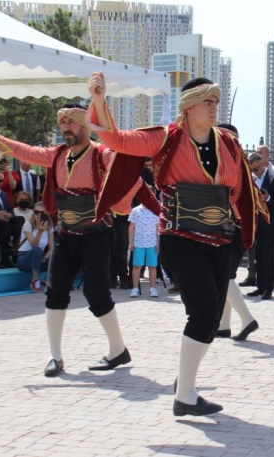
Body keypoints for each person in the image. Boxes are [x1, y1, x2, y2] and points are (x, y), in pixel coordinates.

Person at [87, 71, 263, 416]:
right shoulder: (167, 138)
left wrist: (238, 217)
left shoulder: (227, 142)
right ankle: (185, 396)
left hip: (219, 239)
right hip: (180, 237)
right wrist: (98, 100)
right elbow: (117, 139)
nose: (214, 108)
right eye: (207, 102)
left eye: (216, 102)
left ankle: (185, 392)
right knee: (203, 313)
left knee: (210, 317)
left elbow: (239, 186)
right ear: (189, 107)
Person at [0, 103, 153, 378]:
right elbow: (28, 151)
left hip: (97, 234)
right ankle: (55, 356)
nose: (65, 128)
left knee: (97, 294)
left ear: (85, 125)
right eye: (62, 124)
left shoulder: (102, 154)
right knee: (55, 292)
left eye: (71, 123)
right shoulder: (57, 154)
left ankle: (118, 349)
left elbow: (127, 170)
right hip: (65, 233)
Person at [213, 123, 260, 343]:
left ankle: (247, 319)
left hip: (230, 224)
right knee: (225, 275)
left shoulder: (231, 163)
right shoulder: (237, 162)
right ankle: (223, 326)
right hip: (236, 225)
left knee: (224, 276)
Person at [245, 153, 274, 300]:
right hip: (255, 223)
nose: (255, 172)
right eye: (252, 170)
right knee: (258, 256)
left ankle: (269, 288)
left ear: (262, 163)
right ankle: (260, 286)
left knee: (268, 255)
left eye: (256, 169)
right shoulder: (251, 179)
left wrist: (268, 198)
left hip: (270, 224)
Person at [16, 201, 53, 292]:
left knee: (58, 253)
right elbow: (33, 244)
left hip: (39, 258)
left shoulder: (49, 226)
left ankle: (46, 280)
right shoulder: (28, 224)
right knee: (37, 250)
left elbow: (52, 247)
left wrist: (44, 258)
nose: (39, 215)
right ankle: (35, 280)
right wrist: (40, 231)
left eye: (42, 213)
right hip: (24, 258)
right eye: (36, 212)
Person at [128, 203, 160, 298]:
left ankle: (152, 288)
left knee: (152, 266)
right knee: (137, 265)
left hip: (152, 242)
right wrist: (131, 241)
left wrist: (158, 243)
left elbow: (158, 228)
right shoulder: (135, 210)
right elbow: (131, 227)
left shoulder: (156, 210)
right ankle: (135, 288)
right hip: (139, 241)